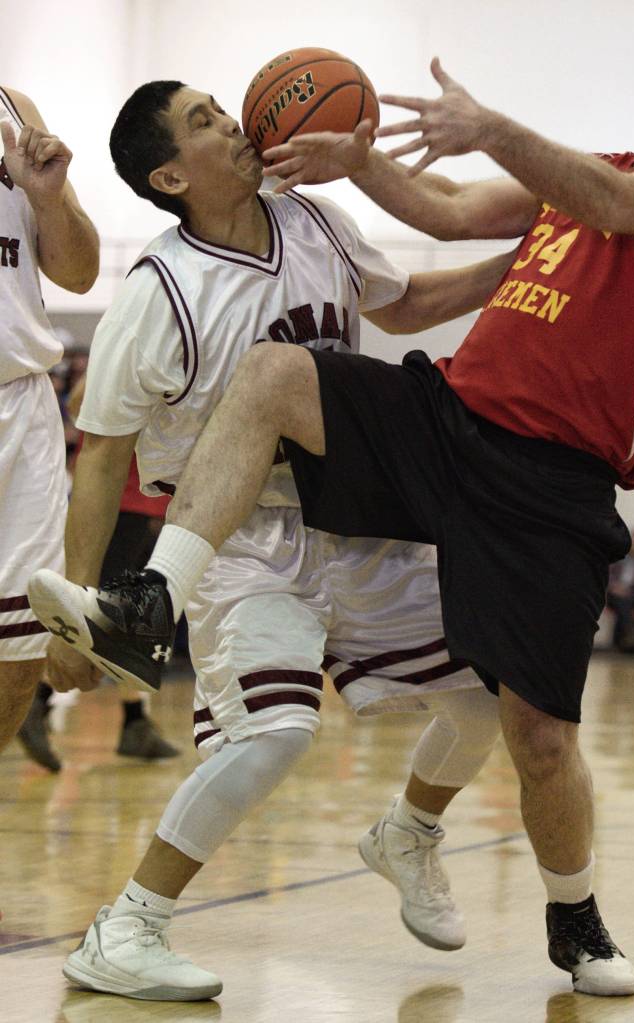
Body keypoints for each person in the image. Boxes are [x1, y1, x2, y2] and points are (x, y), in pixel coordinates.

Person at [28, 37, 634, 998]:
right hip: (408, 441)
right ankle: (144, 608)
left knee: (515, 719)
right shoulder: (163, 283)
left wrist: (484, 129)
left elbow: (586, 218)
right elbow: (452, 210)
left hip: (542, 480)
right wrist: (361, 159)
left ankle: (487, 868)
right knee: (274, 377)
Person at [28, 81, 511, 1000]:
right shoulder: (161, 290)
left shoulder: (317, 223)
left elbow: (404, 304)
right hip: (234, 537)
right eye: (205, 123)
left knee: (491, 697)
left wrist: (519, 265)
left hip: (355, 513)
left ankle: (407, 832)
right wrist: (72, 606)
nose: (234, 125)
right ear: (170, 174)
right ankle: (126, 926)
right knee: (276, 734)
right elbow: (101, 454)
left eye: (223, 106)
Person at [0, 86, 98, 758]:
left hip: (19, 401)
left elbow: (82, 271)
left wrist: (48, 199)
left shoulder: (13, 106)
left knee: (19, 648)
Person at [18, 376, 179, 771]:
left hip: (150, 506)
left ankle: (134, 723)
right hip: (115, 505)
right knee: (95, 610)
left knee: (131, 619)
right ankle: (35, 702)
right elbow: (78, 401)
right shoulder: (131, 343)